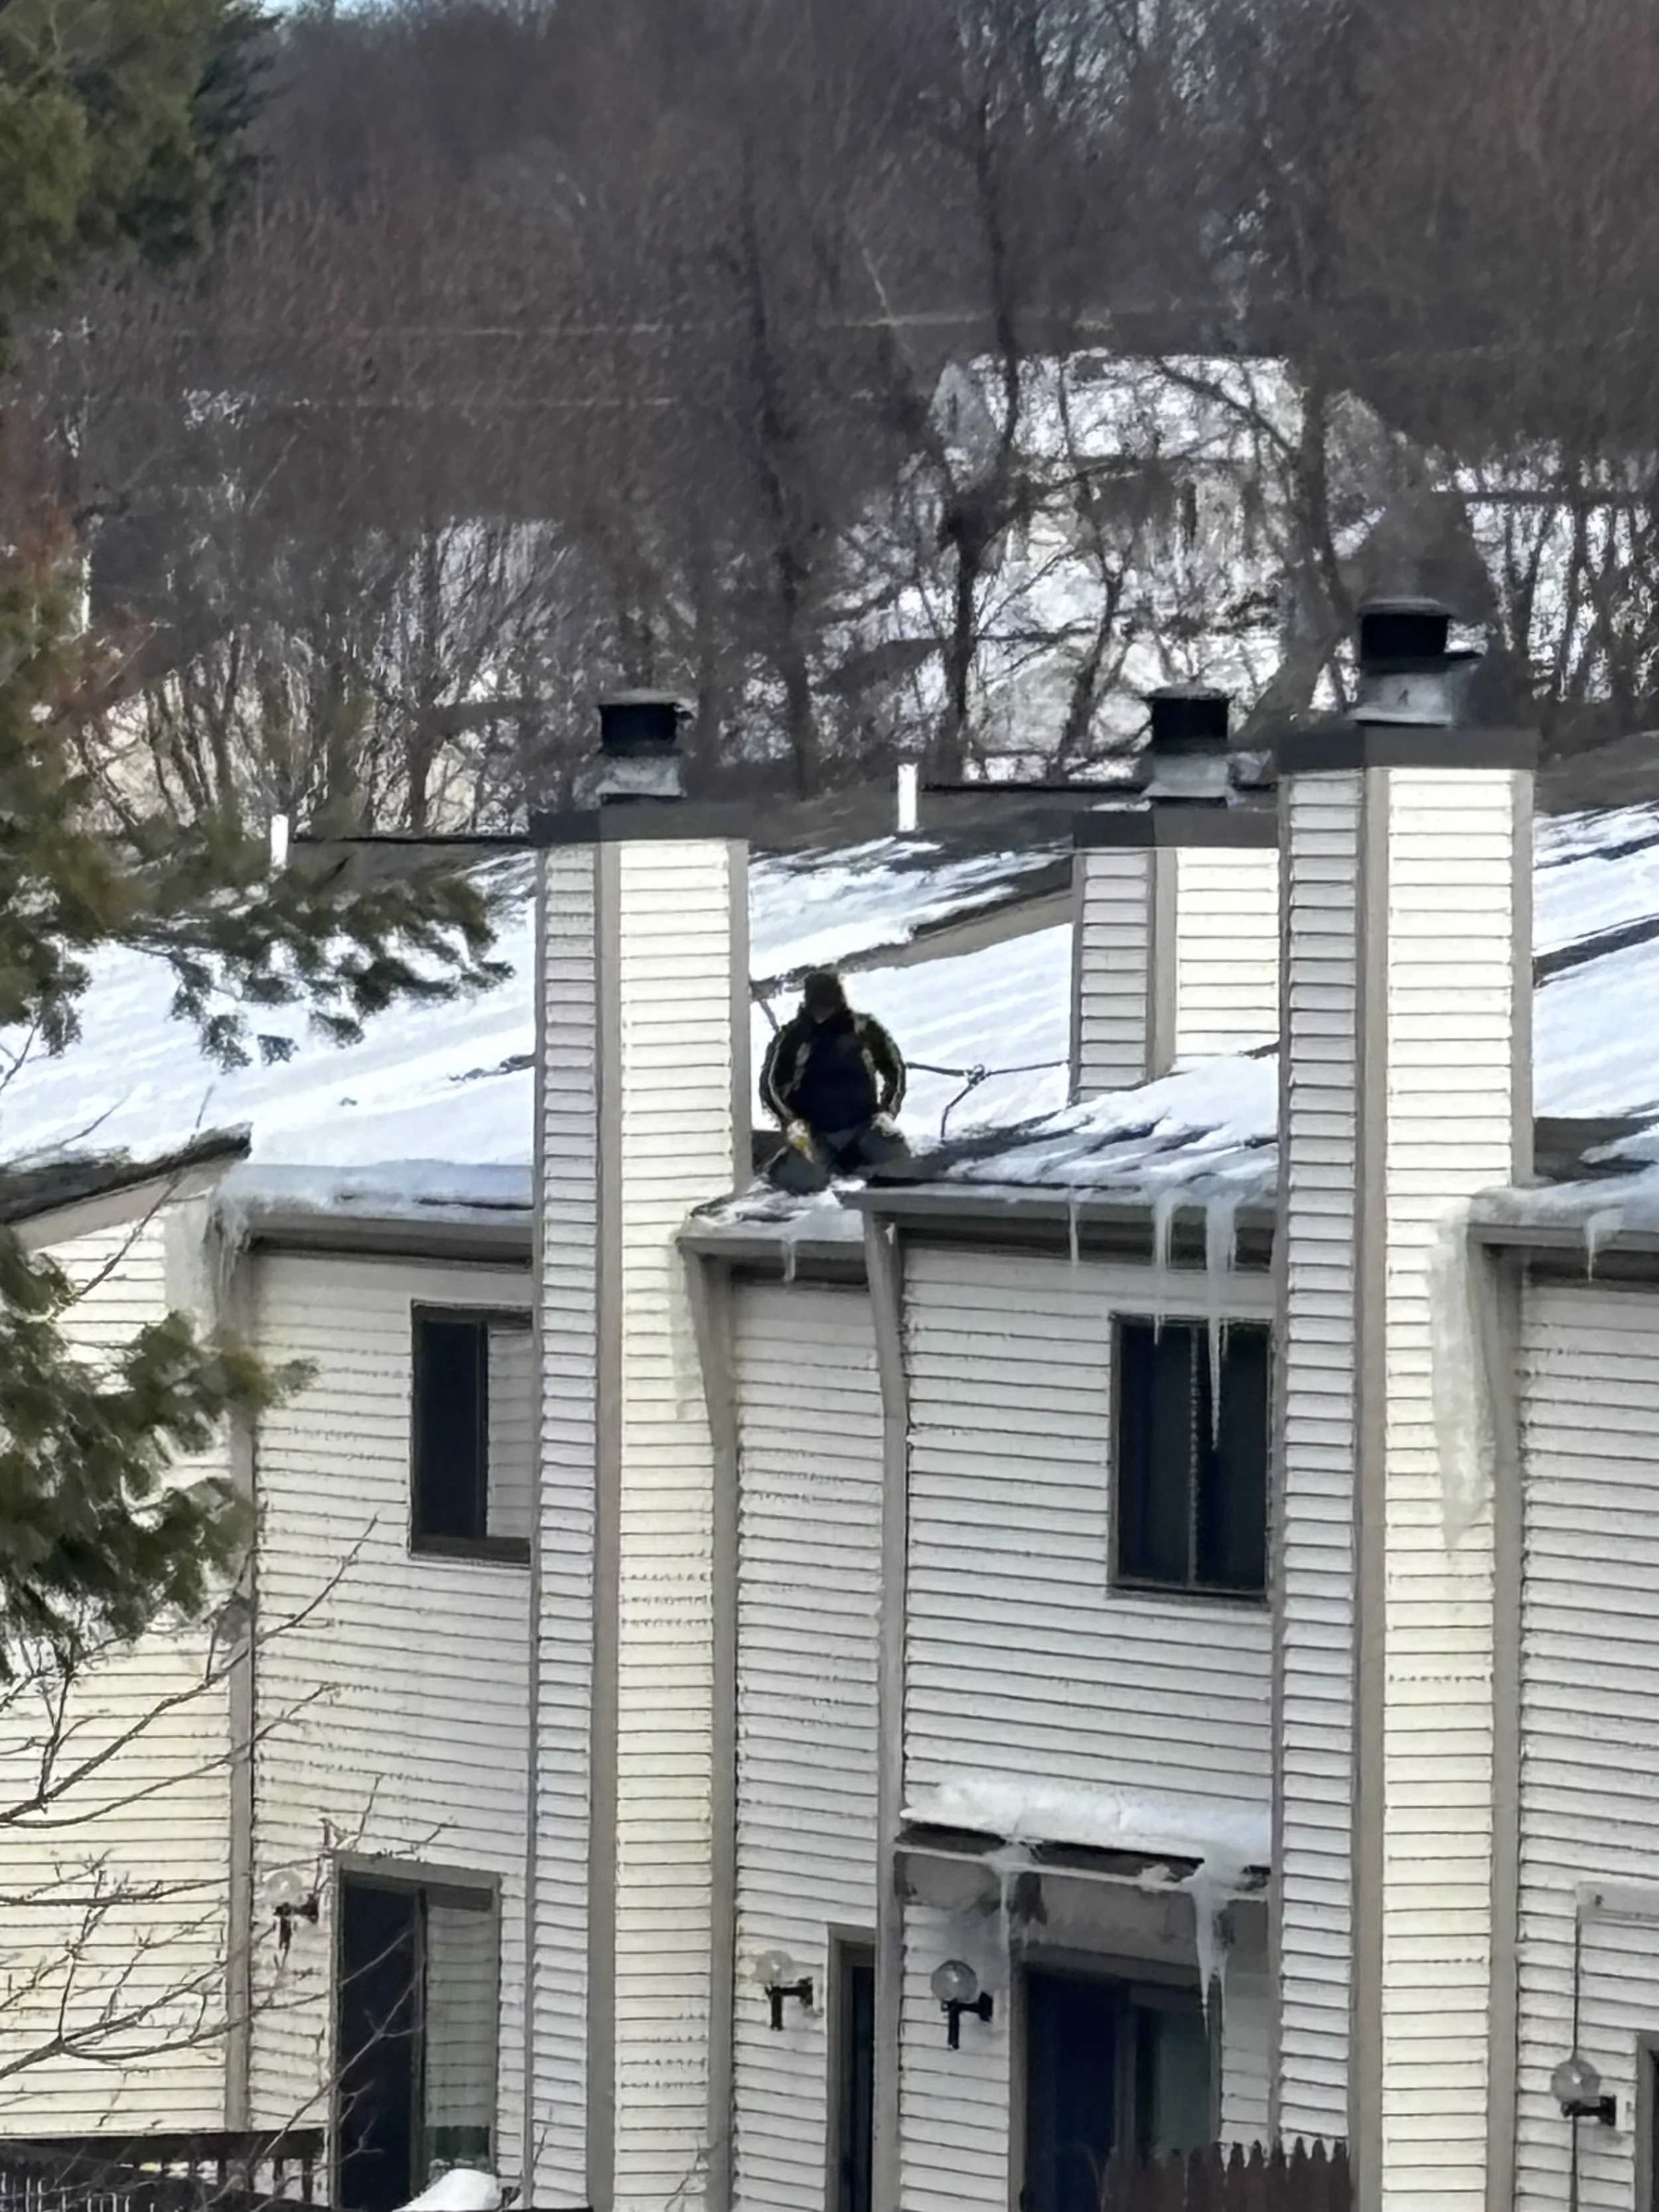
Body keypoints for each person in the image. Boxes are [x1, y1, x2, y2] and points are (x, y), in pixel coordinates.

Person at [760, 969, 909, 1193]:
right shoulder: (794, 1036)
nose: (824, 1013)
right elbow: (771, 1084)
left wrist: (888, 1111)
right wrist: (790, 1121)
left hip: (864, 1125)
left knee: (900, 1165)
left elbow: (894, 1070)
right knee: (793, 1185)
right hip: (816, 1132)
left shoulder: (864, 1028)